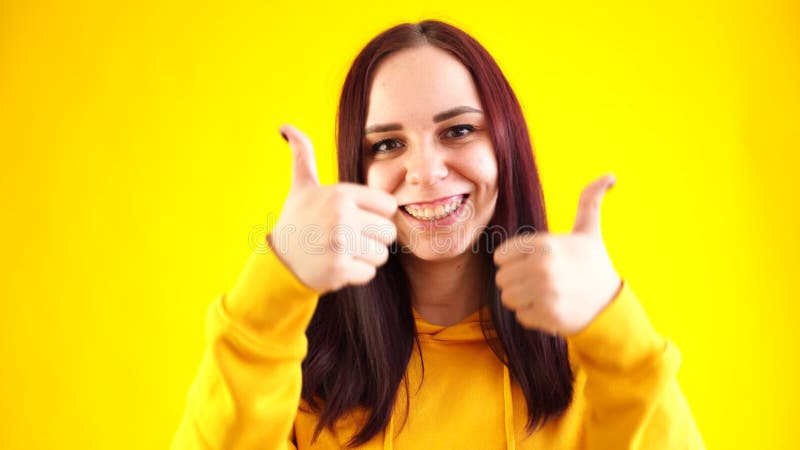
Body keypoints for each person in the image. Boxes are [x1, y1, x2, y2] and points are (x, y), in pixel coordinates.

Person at [171, 20, 704, 449]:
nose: (425, 171)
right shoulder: (297, 372)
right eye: (386, 144)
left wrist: (618, 332)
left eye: (459, 130)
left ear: (506, 148)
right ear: (356, 170)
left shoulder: (594, 365)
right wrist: (277, 281)